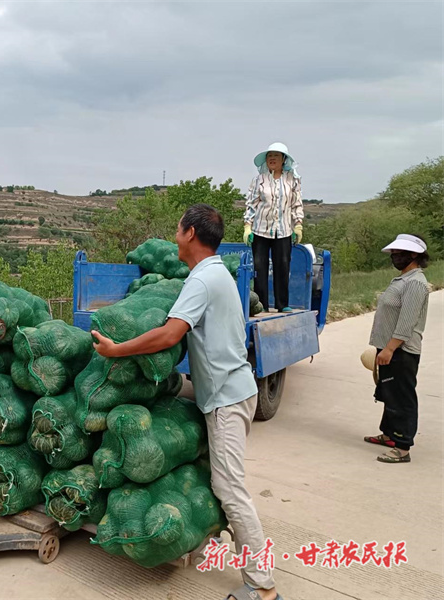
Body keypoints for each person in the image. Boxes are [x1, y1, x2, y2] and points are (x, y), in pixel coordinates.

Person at [91, 204, 281, 600]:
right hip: (230, 390)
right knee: (221, 482)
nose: (175, 236)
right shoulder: (217, 275)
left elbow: (168, 335)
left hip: (228, 398)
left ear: (191, 233)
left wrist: (117, 349)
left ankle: (262, 586)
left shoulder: (202, 280)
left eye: (177, 230)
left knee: (230, 489)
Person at [364, 234, 430, 464]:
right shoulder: (403, 280)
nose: (394, 257)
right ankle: (389, 435)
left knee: (401, 397)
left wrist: (390, 348)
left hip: (401, 351)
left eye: (398, 253)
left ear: (414, 255)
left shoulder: (415, 283)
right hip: (390, 348)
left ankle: (402, 447)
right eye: (393, 253)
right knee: (389, 393)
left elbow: (407, 322)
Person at [244, 142, 304, 313]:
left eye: (276, 156)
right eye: (269, 156)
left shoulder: (292, 180)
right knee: (259, 267)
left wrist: (298, 225)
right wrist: (247, 227)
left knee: (283, 265)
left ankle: (282, 303)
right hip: (260, 229)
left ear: (283, 160)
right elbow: (251, 204)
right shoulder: (259, 180)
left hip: (284, 229)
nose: (272, 159)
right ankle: (261, 304)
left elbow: (296, 204)